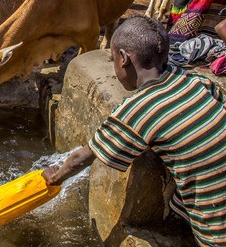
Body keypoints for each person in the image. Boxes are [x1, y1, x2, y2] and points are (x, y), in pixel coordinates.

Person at [42, 16, 226, 247]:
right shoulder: (194, 81)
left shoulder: (138, 110)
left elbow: (83, 158)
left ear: (123, 59)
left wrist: (56, 177)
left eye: (112, 59)